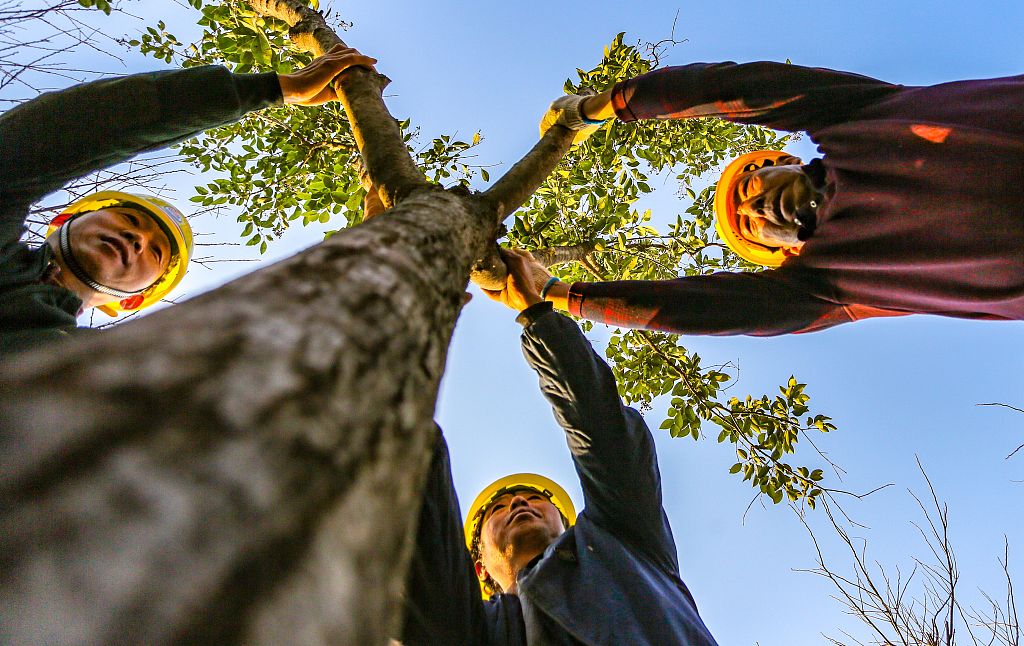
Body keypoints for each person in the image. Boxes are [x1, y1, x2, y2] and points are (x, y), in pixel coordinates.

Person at [536, 61, 1024, 335]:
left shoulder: (856, 117)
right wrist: (557, 295)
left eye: (751, 186)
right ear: (780, 252)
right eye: (748, 225)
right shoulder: (835, 283)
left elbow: (731, 90)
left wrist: (597, 109)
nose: (755, 208)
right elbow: (705, 309)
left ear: (780, 161)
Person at [398, 248, 719, 645]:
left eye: (533, 498)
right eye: (498, 508)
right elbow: (411, 515)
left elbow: (606, 436)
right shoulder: (471, 629)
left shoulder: (625, 543)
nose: (518, 503)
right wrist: (400, 334)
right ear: (480, 568)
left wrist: (538, 316)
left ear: (568, 526)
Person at [0, 46, 377, 355]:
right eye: (129, 220)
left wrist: (379, 246)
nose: (138, 239)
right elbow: (45, 138)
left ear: (133, 301)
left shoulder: (111, 367)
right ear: (63, 219)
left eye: (156, 252)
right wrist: (273, 89)